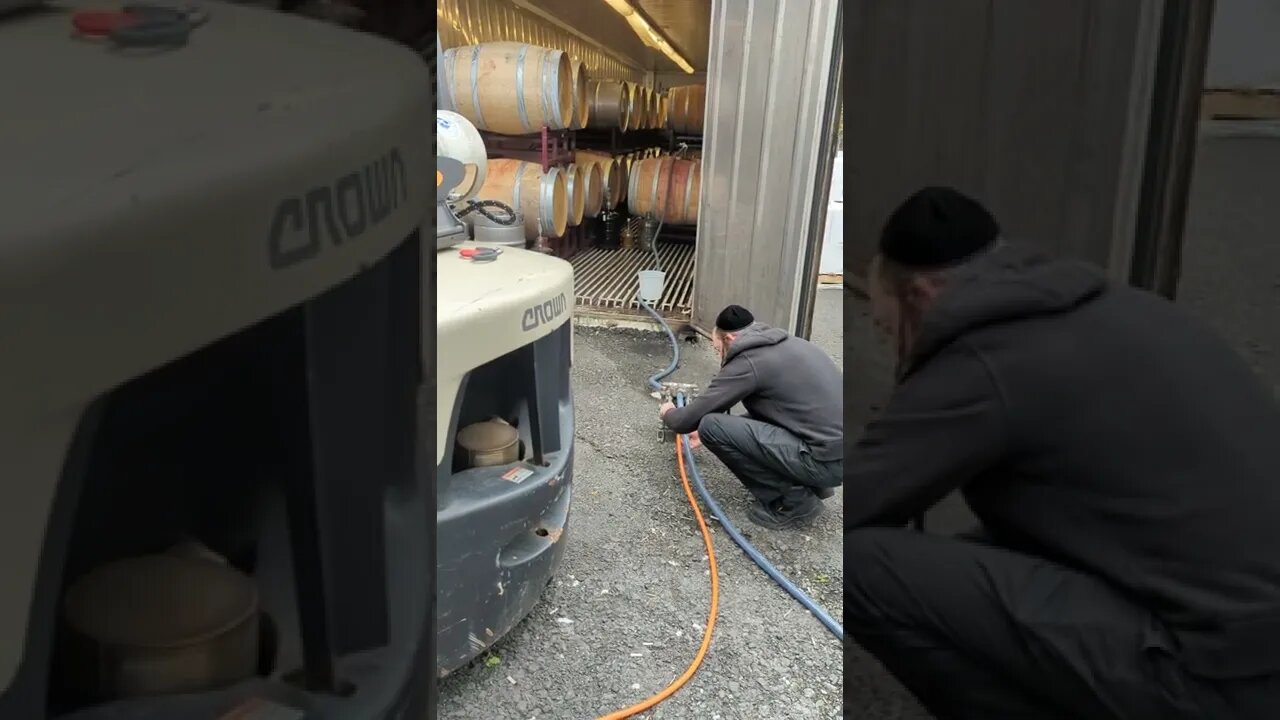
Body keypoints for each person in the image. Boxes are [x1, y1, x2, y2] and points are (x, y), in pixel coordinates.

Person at [843, 186, 1280, 719]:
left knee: (864, 568)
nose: (889, 343)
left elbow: (856, 501)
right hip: (1242, 630)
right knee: (974, 550)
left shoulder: (983, 360)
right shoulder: (1117, 307)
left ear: (920, 296)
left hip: (1219, 674)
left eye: (885, 327)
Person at [658, 305, 842, 529]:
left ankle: (795, 502)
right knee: (717, 428)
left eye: (718, 349)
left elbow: (683, 421)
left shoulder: (749, 360)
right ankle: (812, 487)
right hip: (839, 456)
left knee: (710, 425)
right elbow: (777, 415)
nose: (719, 355)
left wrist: (669, 412)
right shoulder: (792, 345)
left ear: (730, 338)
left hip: (823, 463)